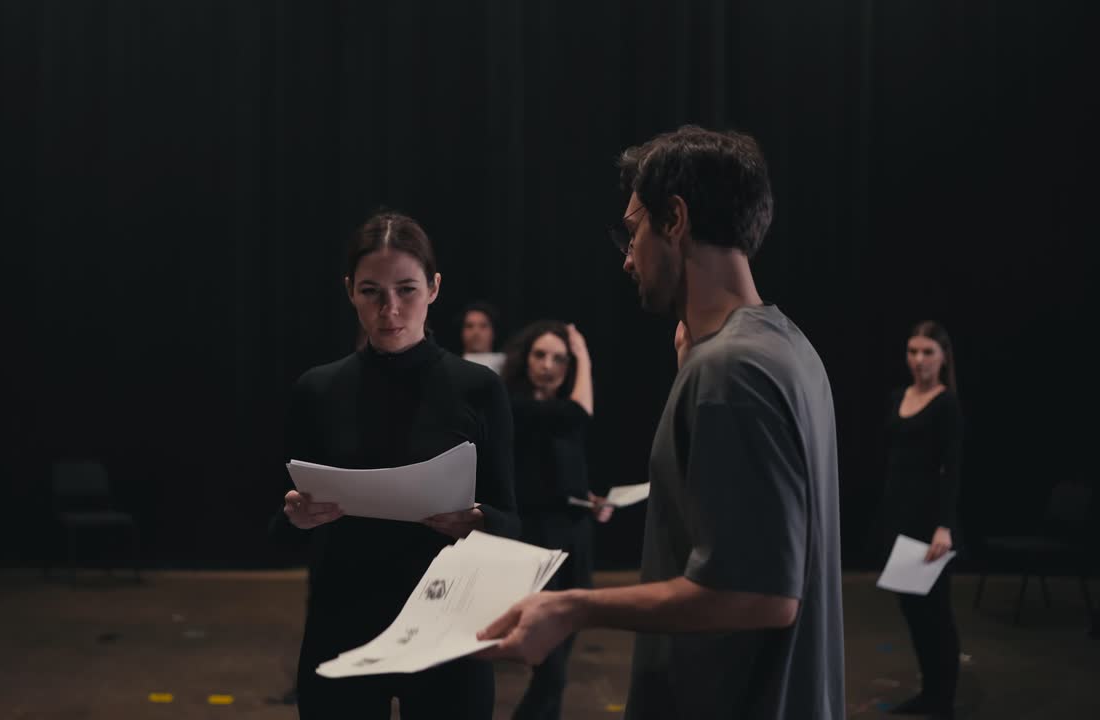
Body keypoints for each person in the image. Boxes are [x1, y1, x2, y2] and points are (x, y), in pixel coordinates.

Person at [478, 125, 845, 720]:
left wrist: (574, 607)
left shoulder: (732, 371)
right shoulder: (786, 346)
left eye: (633, 231)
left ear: (674, 219)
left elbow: (758, 595)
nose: (628, 259)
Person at [270, 210, 520, 720]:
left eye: (406, 290)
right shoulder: (317, 390)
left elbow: (512, 520)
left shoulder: (478, 388)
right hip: (343, 622)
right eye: (371, 292)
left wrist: (479, 521)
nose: (390, 309)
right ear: (349, 291)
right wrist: (296, 517)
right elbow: (279, 526)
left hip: (447, 624)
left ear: (434, 288)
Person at [500, 320, 612, 720]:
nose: (548, 366)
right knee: (551, 666)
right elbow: (578, 414)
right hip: (536, 537)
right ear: (524, 358)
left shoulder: (560, 412)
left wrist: (588, 499)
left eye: (560, 359)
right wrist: (582, 354)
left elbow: (560, 473)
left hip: (575, 533)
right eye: (540, 355)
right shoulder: (514, 405)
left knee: (563, 647)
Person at [882, 321, 963, 718]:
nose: (918, 359)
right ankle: (930, 690)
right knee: (912, 610)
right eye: (912, 351)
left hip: (930, 523)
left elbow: (952, 469)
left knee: (935, 612)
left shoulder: (946, 404)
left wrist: (943, 527)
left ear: (943, 357)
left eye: (927, 352)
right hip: (900, 516)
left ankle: (942, 699)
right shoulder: (899, 397)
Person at [461, 301, 506, 374]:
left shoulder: (507, 365)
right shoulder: (449, 366)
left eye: (483, 326)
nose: (476, 332)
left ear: (493, 331)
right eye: (469, 326)